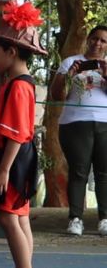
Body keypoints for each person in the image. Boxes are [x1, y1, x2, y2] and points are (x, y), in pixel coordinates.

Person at [0, 0, 45, 268]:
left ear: (11, 52)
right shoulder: (17, 83)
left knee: (9, 218)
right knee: (19, 218)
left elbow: (18, 133)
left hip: (14, 157)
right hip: (18, 156)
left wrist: (4, 169)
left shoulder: (19, 86)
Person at [49, 24, 107, 236]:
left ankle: (104, 219)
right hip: (75, 123)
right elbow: (57, 95)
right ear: (88, 39)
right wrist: (69, 75)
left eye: (103, 40)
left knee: (104, 172)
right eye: (95, 38)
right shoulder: (70, 62)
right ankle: (75, 219)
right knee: (78, 170)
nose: (98, 43)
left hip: (104, 123)